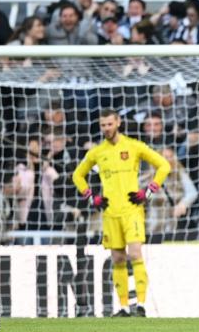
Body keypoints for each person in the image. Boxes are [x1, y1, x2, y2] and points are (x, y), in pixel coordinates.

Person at [72, 109, 171, 317]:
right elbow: (77, 176)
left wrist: (149, 192)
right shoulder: (97, 152)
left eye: (109, 124)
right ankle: (124, 307)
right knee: (117, 259)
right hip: (110, 213)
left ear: (118, 122)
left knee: (135, 253)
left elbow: (164, 166)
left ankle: (141, 305)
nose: (106, 128)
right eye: (103, 125)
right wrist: (91, 197)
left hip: (132, 210)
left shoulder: (134, 146)